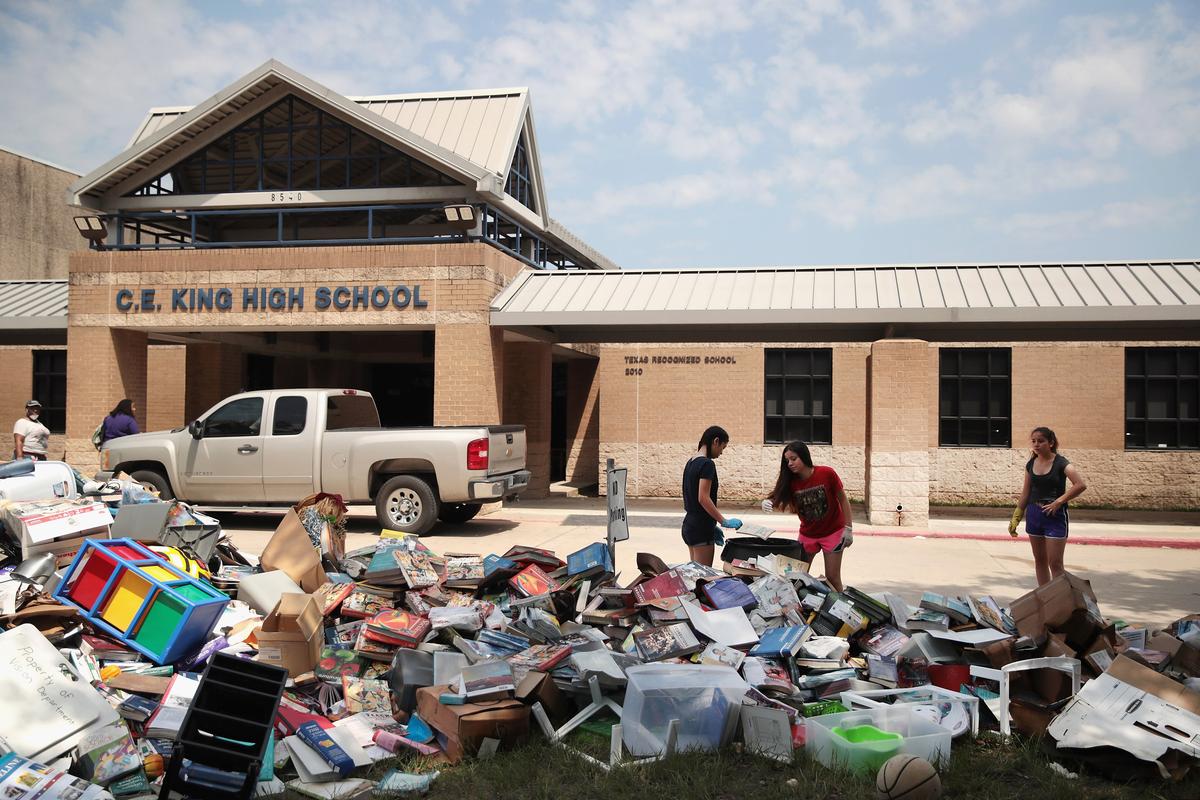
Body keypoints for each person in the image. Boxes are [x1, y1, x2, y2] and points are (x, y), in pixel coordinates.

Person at [761, 440, 853, 591]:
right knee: (798, 578)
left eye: (793, 459)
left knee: (833, 578)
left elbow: (843, 499)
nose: (790, 463)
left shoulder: (826, 473)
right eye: (787, 461)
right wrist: (767, 502)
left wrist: (848, 528)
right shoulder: (790, 482)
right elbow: (777, 498)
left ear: (804, 456)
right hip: (807, 535)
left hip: (833, 533)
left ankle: (839, 604)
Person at [1009, 426, 1087, 586]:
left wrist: (1058, 502)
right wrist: (1017, 516)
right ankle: (1046, 596)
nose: (1036, 444)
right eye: (1033, 441)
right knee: (1040, 560)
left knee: (1055, 564)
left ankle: (1061, 597)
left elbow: (1080, 485)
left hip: (1054, 517)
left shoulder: (1061, 463)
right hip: (1034, 514)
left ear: (1051, 443)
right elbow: (1026, 493)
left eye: (1041, 441)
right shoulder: (1031, 464)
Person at [681, 425, 742, 567]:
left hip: (690, 525)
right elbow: (703, 498)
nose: (721, 453)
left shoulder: (691, 462)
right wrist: (723, 521)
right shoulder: (707, 464)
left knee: (694, 573)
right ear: (716, 441)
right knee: (703, 575)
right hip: (701, 528)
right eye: (722, 447)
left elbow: (692, 496)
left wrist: (711, 523)